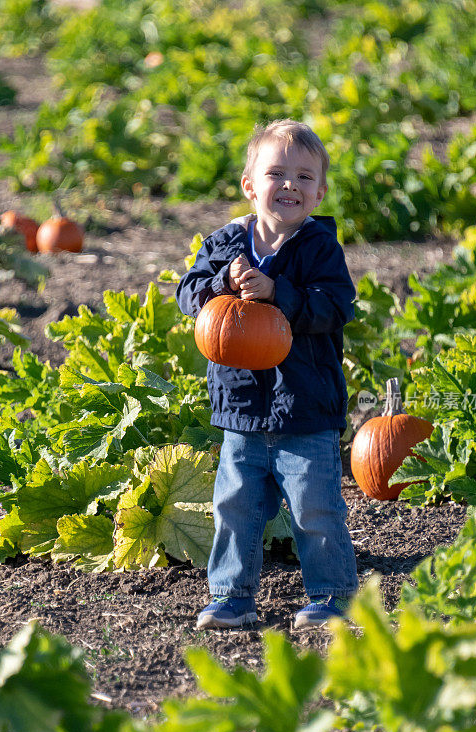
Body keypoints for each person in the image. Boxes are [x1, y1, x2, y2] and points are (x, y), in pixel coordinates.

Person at [175, 118, 358, 629]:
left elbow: (334, 307)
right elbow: (187, 294)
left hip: (306, 407)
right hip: (241, 407)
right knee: (236, 507)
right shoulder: (225, 245)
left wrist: (280, 295)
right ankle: (231, 595)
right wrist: (219, 284)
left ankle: (334, 595)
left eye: (304, 177)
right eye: (276, 173)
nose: (290, 185)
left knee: (314, 508)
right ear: (250, 185)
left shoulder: (320, 249)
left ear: (319, 192)